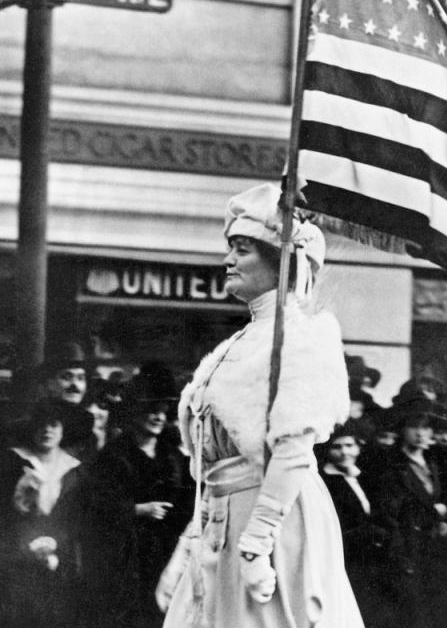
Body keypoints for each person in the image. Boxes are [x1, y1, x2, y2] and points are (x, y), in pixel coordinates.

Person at [161, 184, 362, 627]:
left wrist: (258, 542)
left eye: (242, 249)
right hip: (223, 521)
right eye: (229, 248)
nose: (227, 260)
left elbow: (293, 449)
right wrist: (190, 541)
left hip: (274, 520)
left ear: (280, 258)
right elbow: (208, 466)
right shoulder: (235, 345)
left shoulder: (303, 337)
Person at [82, 363, 189, 628]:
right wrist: (138, 510)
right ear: (134, 412)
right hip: (127, 554)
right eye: (151, 410)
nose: (158, 417)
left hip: (167, 550)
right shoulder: (113, 456)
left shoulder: (173, 456)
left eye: (163, 410)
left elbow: (188, 503)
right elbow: (94, 506)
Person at [0, 403, 84, 628]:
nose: (47, 430)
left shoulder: (75, 469)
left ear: (63, 429)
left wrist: (57, 545)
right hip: (18, 554)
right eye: (41, 425)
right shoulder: (13, 462)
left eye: (53, 424)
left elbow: (77, 516)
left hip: (62, 556)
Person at [376, 399, 447, 628]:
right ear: (403, 430)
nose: (421, 434)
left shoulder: (431, 461)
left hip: (433, 549)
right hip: (408, 550)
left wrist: (440, 515)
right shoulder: (393, 466)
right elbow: (390, 512)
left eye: (426, 428)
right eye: (414, 427)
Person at [318, 422, 392, 628]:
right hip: (349, 557)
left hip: (373, 557)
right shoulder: (327, 482)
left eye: (349, 445)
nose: (344, 452)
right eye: (337, 447)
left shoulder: (364, 476)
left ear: (358, 448)